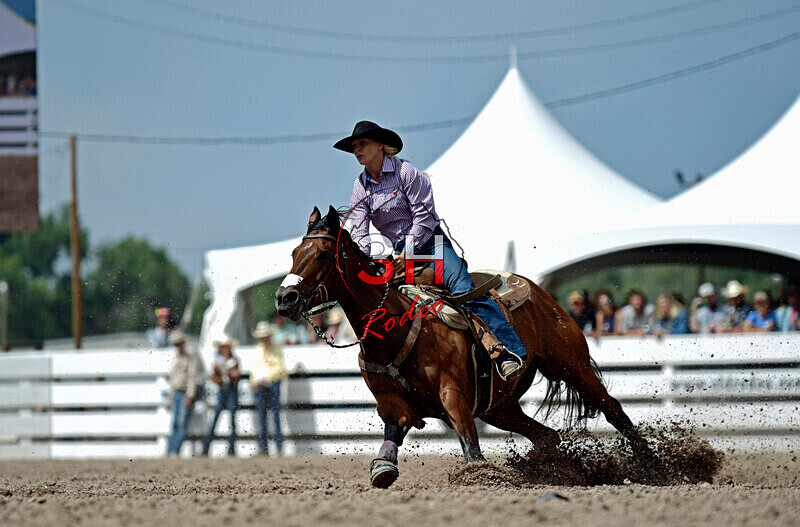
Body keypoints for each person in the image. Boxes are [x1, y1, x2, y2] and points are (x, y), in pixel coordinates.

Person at [337, 121, 527, 379]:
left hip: (431, 245)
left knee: (464, 292)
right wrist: (370, 259)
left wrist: (408, 252)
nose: (357, 149)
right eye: (354, 146)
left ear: (380, 145)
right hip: (397, 254)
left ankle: (507, 351)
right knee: (381, 302)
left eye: (362, 144)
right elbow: (358, 228)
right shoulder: (361, 185)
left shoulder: (406, 172)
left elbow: (424, 217)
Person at [251, 321, 289, 456]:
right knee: (262, 416)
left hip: (273, 383)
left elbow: (280, 369)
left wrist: (264, 379)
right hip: (262, 385)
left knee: (275, 415)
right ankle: (263, 448)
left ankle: (277, 447)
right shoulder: (258, 350)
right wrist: (255, 382)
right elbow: (254, 370)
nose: (263, 338)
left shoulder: (276, 349)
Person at [201, 336, 240, 456]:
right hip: (223, 390)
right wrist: (221, 376)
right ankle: (206, 450)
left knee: (231, 421)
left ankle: (231, 449)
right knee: (215, 420)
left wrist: (225, 371)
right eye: (222, 347)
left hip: (231, 390)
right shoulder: (220, 361)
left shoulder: (233, 361)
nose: (224, 349)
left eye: (226, 347)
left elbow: (236, 376)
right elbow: (213, 377)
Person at [166, 330, 200, 456]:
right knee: (175, 423)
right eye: (176, 344)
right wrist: (170, 397)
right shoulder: (176, 358)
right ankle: (171, 450)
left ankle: (174, 450)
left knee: (181, 423)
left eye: (179, 343)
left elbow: (192, 378)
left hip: (185, 393)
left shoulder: (190, 359)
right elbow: (172, 380)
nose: (178, 346)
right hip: (176, 392)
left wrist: (190, 395)